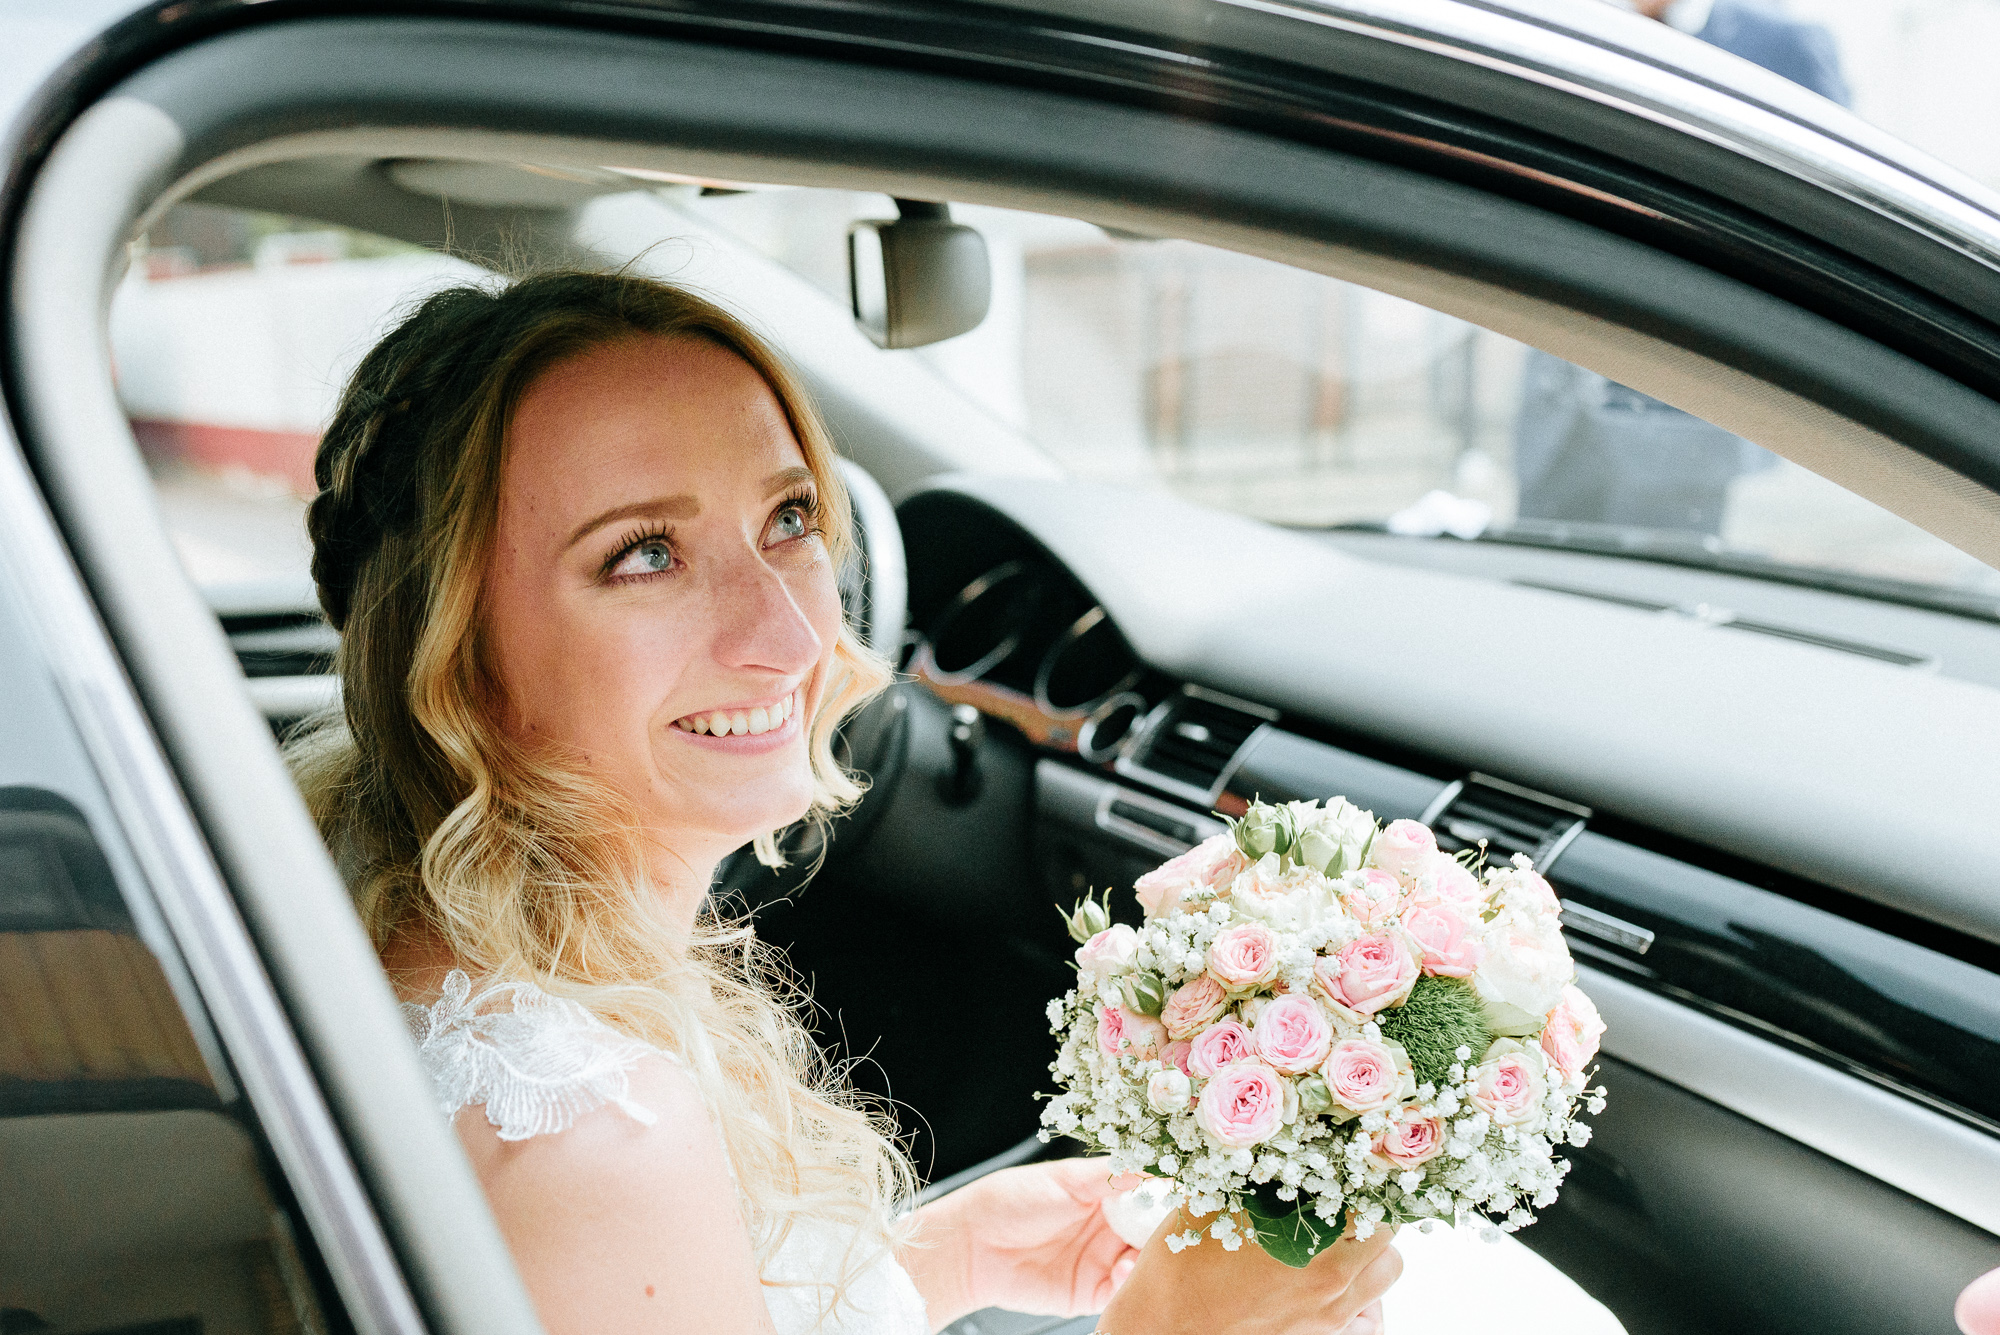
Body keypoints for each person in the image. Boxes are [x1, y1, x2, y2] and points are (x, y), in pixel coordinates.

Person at [286, 271, 1400, 1335]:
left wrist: (940, 1258)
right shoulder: (584, 1129)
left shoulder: (419, 940)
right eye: (644, 555)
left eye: (788, 518)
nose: (785, 636)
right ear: (454, 647)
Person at [1512, 0, 1851, 537]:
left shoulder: (1780, 46)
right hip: (1557, 415)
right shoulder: (1569, 30)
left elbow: (1830, 220)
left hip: (1681, 410)